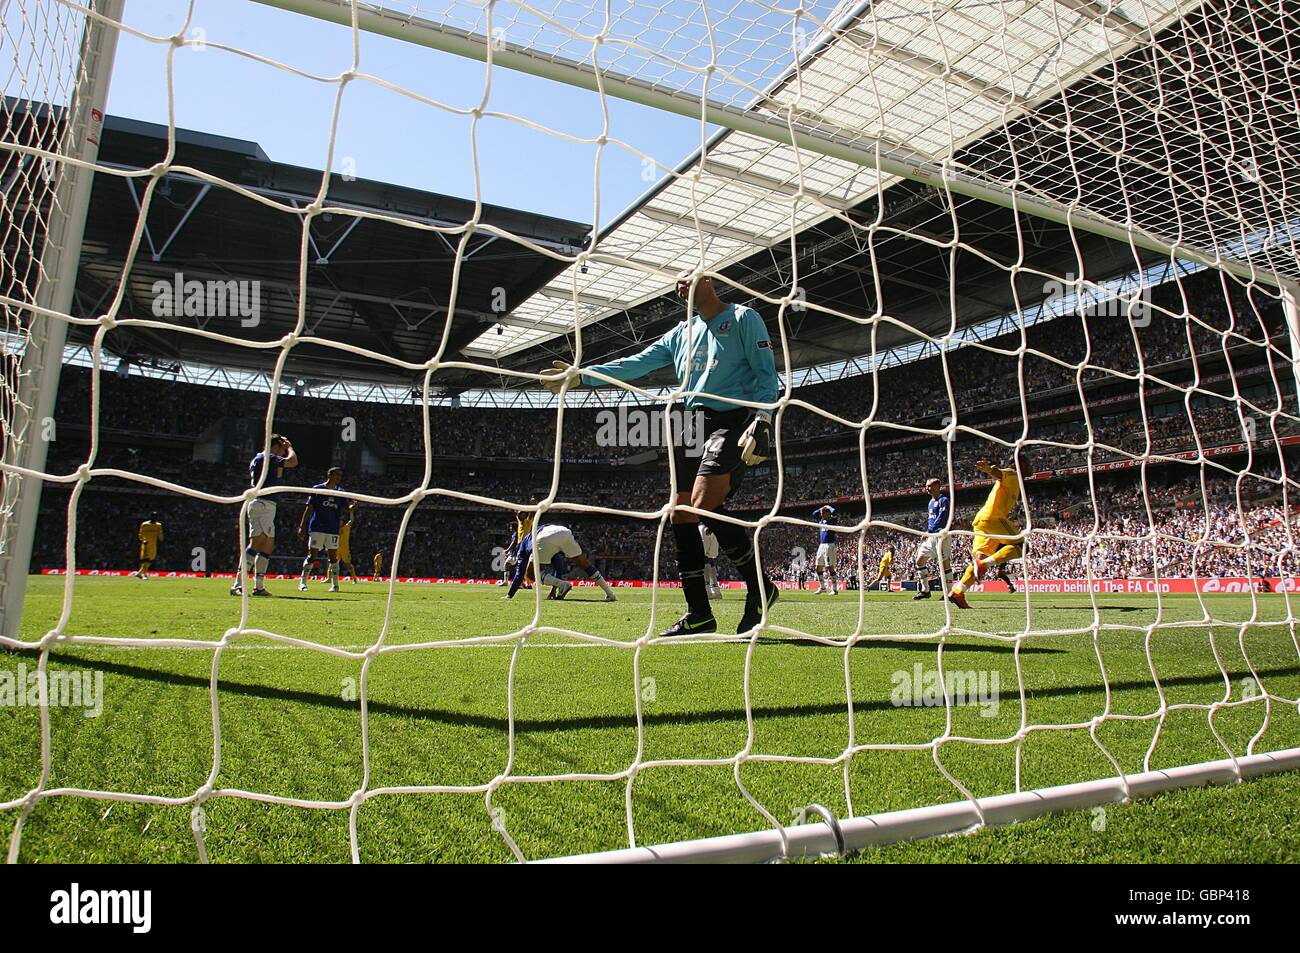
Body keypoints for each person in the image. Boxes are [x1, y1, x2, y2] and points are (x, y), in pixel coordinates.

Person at [543, 272, 779, 635]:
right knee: (680, 515)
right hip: (688, 421)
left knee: (701, 504)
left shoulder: (744, 318)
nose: (679, 287)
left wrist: (763, 419)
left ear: (710, 281)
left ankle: (760, 588)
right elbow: (636, 364)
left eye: (686, 280)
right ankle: (700, 614)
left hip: (730, 417)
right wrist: (582, 376)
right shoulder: (678, 334)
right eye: (676, 285)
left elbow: (767, 375)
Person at [948, 460, 1024, 609]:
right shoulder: (1012, 472)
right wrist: (989, 470)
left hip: (982, 521)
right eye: (1027, 463)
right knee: (1022, 546)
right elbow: (1000, 474)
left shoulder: (1015, 482)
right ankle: (984, 564)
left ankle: (958, 591)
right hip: (993, 518)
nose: (1031, 466)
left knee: (980, 557)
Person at [232, 433, 297, 596]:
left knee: (267, 545)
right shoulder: (268, 457)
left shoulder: (261, 459)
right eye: (282, 448)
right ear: (277, 445)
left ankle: (258, 586)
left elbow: (279, 474)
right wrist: (289, 447)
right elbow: (293, 462)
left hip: (267, 504)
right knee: (257, 543)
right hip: (262, 503)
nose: (283, 452)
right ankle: (238, 584)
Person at [506, 524, 617, 602]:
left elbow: (520, 572)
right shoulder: (536, 532)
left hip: (543, 538)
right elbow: (558, 565)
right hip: (564, 531)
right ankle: (610, 594)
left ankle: (564, 585)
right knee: (585, 564)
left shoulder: (522, 547)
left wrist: (509, 594)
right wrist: (554, 590)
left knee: (529, 574)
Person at [296, 467, 348, 593]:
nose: (338, 478)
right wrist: (302, 526)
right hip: (317, 527)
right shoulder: (317, 489)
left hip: (332, 529)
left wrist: (352, 507)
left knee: (333, 557)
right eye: (336, 475)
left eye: (340, 476)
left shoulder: (341, 492)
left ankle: (335, 585)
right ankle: (303, 583)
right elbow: (309, 508)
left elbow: (347, 507)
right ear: (329, 475)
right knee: (312, 555)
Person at [913, 478, 952, 600]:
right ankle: (925, 590)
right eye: (926, 486)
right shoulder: (930, 502)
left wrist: (930, 531)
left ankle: (949, 593)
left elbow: (942, 518)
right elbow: (932, 520)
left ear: (937, 486)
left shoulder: (944, 500)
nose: (927, 488)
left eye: (929, 486)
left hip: (941, 536)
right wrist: (928, 532)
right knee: (919, 560)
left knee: (944, 563)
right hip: (931, 536)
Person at [812, 505, 839, 595]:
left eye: (823, 513)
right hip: (821, 545)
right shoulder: (821, 521)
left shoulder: (832, 520)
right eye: (821, 513)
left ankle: (834, 589)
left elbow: (834, 511)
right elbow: (813, 514)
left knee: (829, 566)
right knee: (818, 566)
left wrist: (828, 507)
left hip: (829, 545)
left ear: (828, 513)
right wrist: (821, 508)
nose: (821, 514)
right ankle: (823, 587)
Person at [134, 512, 163, 579]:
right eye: (153, 516)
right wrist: (143, 540)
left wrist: (161, 538)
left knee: (151, 560)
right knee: (145, 559)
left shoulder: (158, 525)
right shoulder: (145, 524)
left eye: (156, 516)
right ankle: (143, 574)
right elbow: (140, 534)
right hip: (146, 544)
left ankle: (140, 573)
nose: (154, 518)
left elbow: (160, 534)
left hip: (153, 545)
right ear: (151, 517)